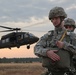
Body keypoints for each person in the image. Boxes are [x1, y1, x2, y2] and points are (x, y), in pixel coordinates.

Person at [34, 6, 76, 75]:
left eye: (56, 18)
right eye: (52, 19)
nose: (54, 21)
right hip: (51, 72)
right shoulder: (48, 36)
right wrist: (47, 52)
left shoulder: (71, 36)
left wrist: (65, 46)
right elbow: (36, 48)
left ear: (62, 18)